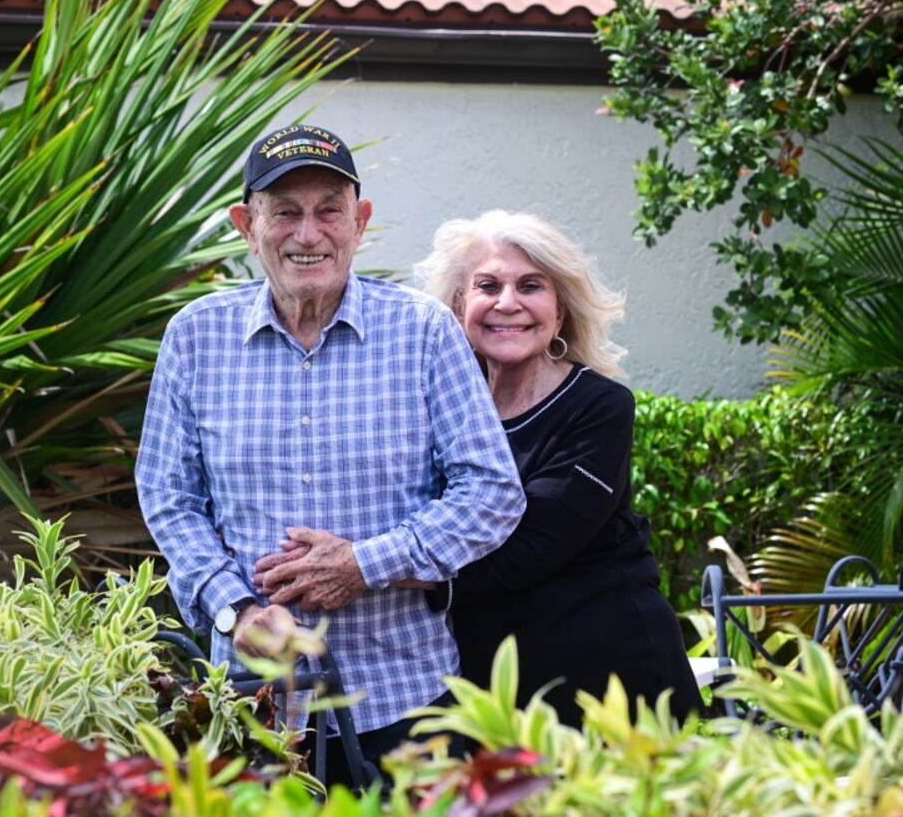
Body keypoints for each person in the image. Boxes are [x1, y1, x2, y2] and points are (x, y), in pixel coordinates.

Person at [135, 126, 526, 785]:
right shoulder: (195, 337)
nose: (307, 233)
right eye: (284, 211)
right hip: (251, 703)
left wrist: (361, 563)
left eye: (328, 209)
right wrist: (236, 610)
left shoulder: (424, 331)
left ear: (359, 220)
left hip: (405, 698)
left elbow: (491, 491)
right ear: (246, 225)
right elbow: (169, 497)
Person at [407, 209, 703, 726]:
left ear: (560, 310)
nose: (508, 303)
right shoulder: (437, 411)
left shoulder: (600, 407)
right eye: (487, 285)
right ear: (458, 307)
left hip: (611, 683)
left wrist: (373, 570)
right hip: (491, 690)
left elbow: (528, 546)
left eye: (530, 286)